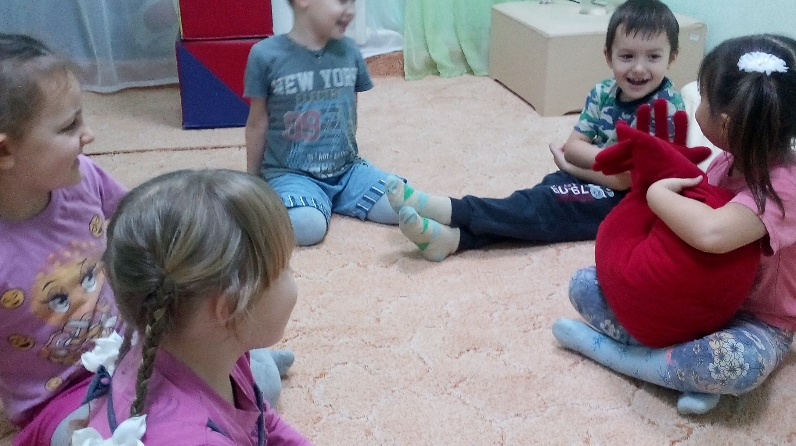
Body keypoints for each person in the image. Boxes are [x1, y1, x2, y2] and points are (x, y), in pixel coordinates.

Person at [552, 34, 796, 415]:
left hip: (758, 321)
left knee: (737, 363)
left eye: (703, 97)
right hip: (697, 303)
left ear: (726, 124)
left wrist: (656, 194)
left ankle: (620, 357)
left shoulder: (782, 190)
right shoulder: (728, 160)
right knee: (585, 284)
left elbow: (711, 232)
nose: (696, 103)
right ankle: (683, 370)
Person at [385, 0, 684, 261]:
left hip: (630, 202)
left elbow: (625, 180)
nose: (639, 69)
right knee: (535, 200)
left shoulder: (665, 109)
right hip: (590, 178)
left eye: (653, 57)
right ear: (608, 56)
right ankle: (454, 240)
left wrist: (574, 166)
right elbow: (574, 147)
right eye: (627, 56)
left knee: (544, 207)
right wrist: (587, 162)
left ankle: (451, 209)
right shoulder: (603, 92)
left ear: (671, 58)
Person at [74, 169, 313, 445]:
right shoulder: (200, 439)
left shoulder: (210, 349)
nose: (294, 275)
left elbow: (262, 420)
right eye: (285, 267)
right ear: (231, 306)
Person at [0, 34, 128, 445]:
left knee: (235, 374)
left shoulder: (85, 177)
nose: (88, 134)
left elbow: (141, 218)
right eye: (70, 126)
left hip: (130, 346)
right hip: (58, 396)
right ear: (5, 152)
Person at [244, 0, 398, 247]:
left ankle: (453, 229)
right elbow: (257, 123)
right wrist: (252, 183)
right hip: (292, 174)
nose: (351, 11)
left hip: (347, 171)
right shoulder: (265, 55)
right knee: (308, 227)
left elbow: (350, 110)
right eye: (342, 1)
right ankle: (302, 205)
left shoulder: (349, 51)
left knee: (403, 202)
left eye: (353, 3)